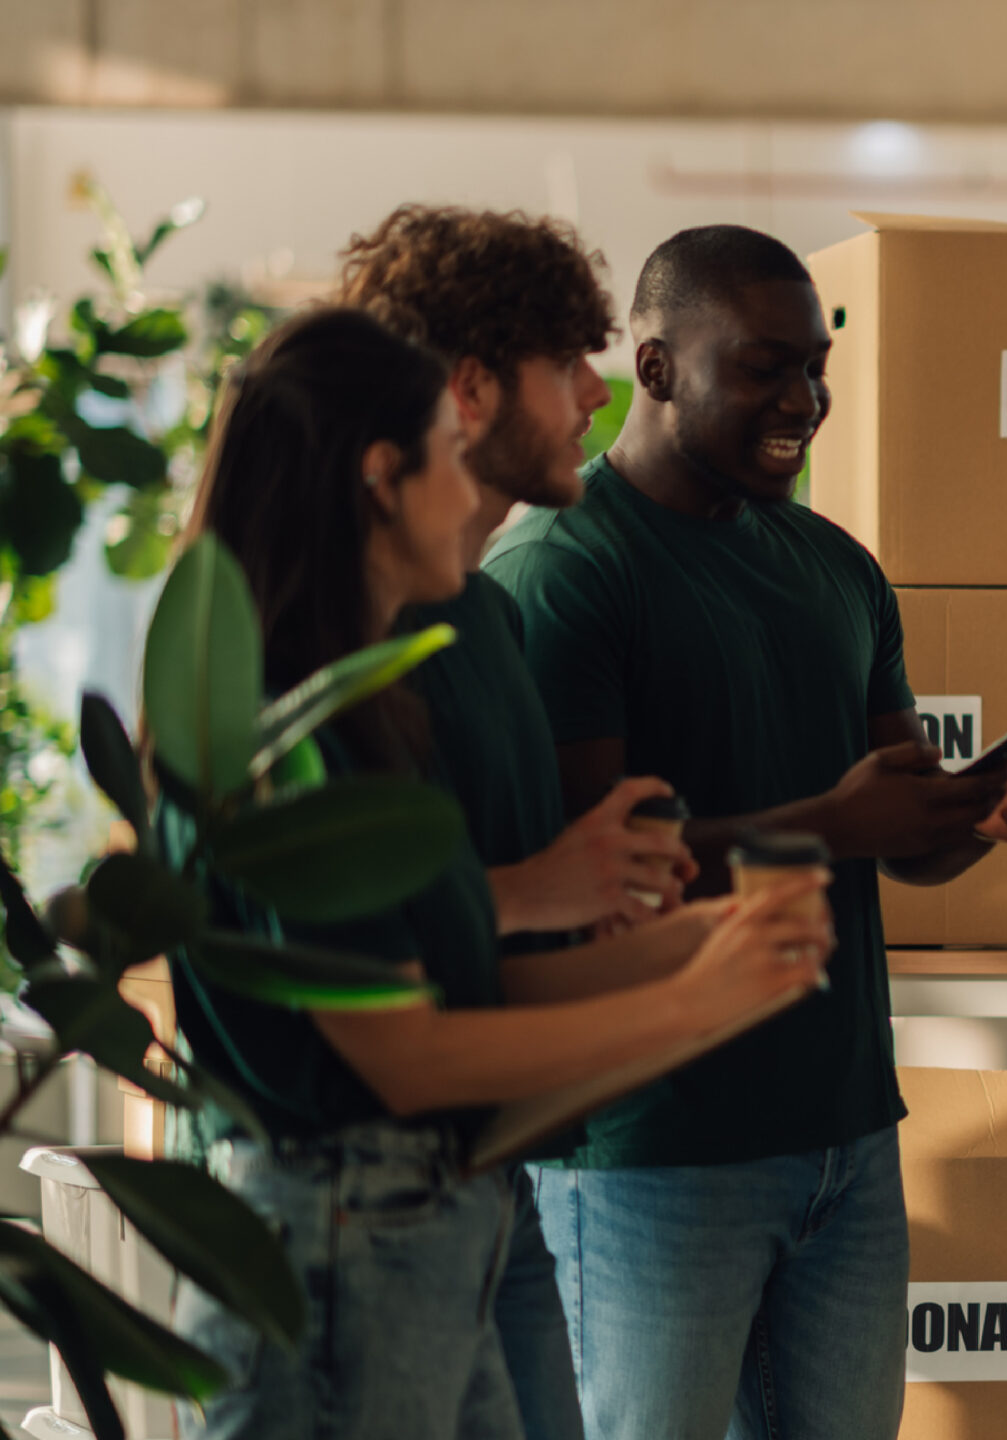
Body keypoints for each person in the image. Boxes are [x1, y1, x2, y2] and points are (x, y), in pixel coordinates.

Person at [166, 307, 831, 1440]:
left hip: (421, 1229)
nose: (471, 482)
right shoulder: (291, 737)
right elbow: (413, 1056)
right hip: (337, 1242)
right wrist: (689, 999)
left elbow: (453, 995)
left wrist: (703, 950)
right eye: (445, 449)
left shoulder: (374, 707)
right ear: (385, 477)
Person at [484, 224, 1007, 1440]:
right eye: (765, 367)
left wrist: (981, 807)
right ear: (653, 370)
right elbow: (588, 882)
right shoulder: (564, 571)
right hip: (652, 1147)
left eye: (816, 367)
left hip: (846, 1136)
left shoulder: (839, 572)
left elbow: (897, 839)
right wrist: (832, 821)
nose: (805, 400)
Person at [340, 202, 697, 1440]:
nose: (597, 398)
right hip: (362, 1202)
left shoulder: (487, 617)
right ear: (473, 387)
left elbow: (508, 920)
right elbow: (324, 937)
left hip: (499, 1188)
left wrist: (641, 916)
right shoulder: (342, 635)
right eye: (568, 366)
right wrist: (545, 893)